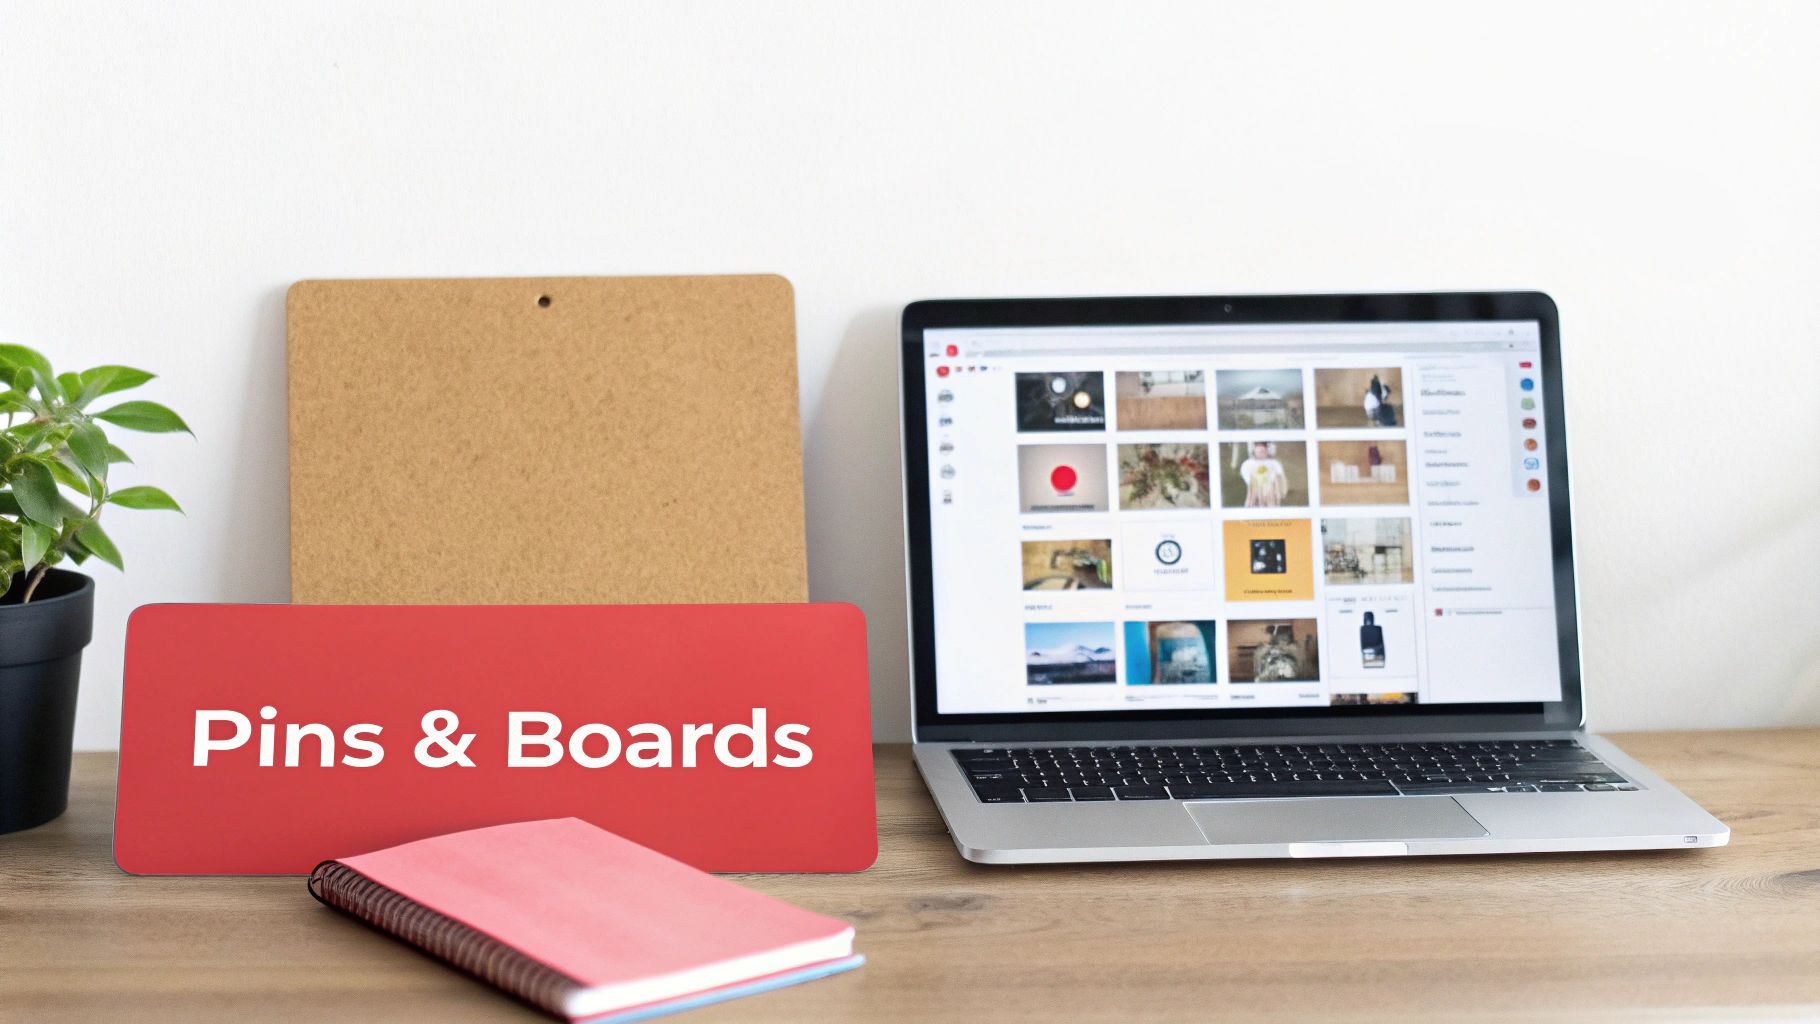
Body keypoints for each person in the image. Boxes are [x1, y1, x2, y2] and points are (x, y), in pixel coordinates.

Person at [1237, 441, 1288, 507]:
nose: (1261, 453)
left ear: (1267, 451)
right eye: (1259, 451)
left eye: (1263, 451)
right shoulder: (1247, 464)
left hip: (1271, 495)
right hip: (1255, 494)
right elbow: (1250, 481)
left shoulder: (1275, 463)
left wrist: (1278, 492)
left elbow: (1280, 479)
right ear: (1254, 451)